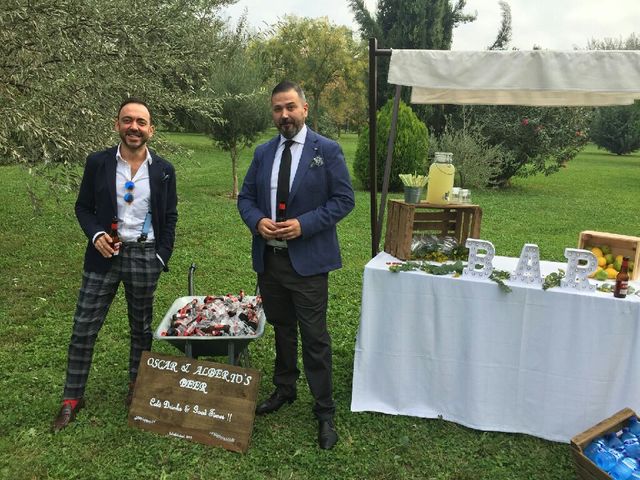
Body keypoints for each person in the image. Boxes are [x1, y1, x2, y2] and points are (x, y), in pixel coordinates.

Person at [237, 81, 355, 449]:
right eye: (277, 109)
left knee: (315, 338)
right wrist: (257, 221)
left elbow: (344, 200)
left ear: (305, 109)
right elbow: (246, 198)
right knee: (282, 328)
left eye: (290, 107)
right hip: (270, 262)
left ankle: (324, 411)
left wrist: (305, 225)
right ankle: (285, 388)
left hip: (308, 263)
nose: (284, 115)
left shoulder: (328, 151)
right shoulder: (263, 152)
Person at [52, 98, 178, 432]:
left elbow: (171, 216)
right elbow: (83, 207)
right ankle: (72, 398)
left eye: (141, 122)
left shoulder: (163, 170)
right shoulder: (99, 163)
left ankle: (138, 389)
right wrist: (95, 235)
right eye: (127, 120)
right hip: (104, 254)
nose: (134, 127)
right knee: (83, 328)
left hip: (145, 256)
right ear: (117, 125)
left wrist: (161, 256)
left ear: (151, 129)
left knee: (141, 328)